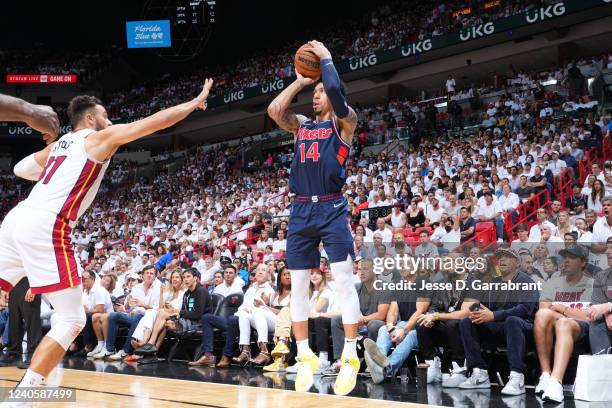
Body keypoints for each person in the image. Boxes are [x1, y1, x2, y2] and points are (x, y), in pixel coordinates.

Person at [0, 80, 213, 387]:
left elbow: (21, 169)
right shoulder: (99, 138)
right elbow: (154, 122)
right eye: (105, 114)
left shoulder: (60, 146)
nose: (110, 119)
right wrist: (194, 102)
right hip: (47, 224)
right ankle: (25, 397)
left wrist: (51, 161)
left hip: (16, 218)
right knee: (72, 320)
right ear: (90, 119)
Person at [267, 40, 360, 395]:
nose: (316, 96)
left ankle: (350, 354)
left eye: (320, 91)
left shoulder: (345, 121)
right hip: (301, 208)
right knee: (299, 285)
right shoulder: (303, 125)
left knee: (342, 279)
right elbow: (276, 110)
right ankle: (304, 355)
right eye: (315, 92)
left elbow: (336, 92)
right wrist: (300, 81)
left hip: (333, 206)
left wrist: (325, 60)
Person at [458, 248, 538, 396]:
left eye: (507, 256)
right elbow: (486, 308)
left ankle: (517, 376)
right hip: (499, 327)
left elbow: (525, 310)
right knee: (466, 322)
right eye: (500, 257)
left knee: (512, 320)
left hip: (523, 328)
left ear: (518, 263)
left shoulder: (527, 281)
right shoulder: (493, 283)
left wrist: (494, 315)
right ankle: (479, 372)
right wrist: (478, 312)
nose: (502, 259)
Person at [534, 245, 594, 403]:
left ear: (583, 262)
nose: (565, 261)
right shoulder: (552, 282)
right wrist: (568, 313)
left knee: (564, 323)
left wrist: (563, 308)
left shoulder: (593, 284)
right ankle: (546, 374)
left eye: (571, 257)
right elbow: (544, 310)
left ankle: (556, 382)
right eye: (564, 257)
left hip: (580, 328)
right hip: (556, 324)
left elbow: (589, 317)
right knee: (543, 314)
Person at [94, 265, 162, 360]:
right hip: (133, 315)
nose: (149, 275)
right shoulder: (137, 288)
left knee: (138, 316)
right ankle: (109, 349)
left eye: (152, 273)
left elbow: (156, 310)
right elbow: (129, 306)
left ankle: (126, 350)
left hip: (147, 318)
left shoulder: (158, 289)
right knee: (113, 315)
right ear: (143, 275)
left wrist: (143, 305)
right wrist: (126, 306)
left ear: (155, 276)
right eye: (147, 273)